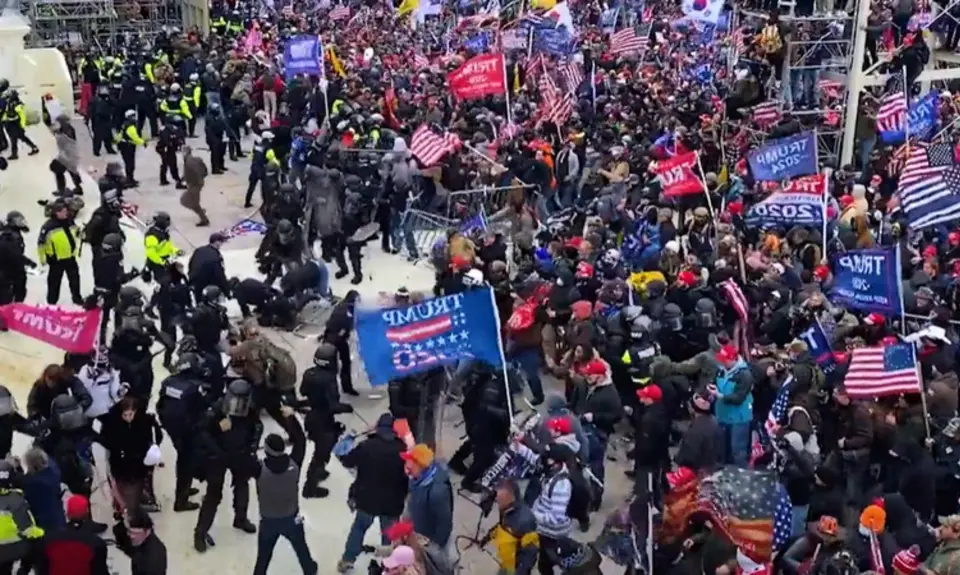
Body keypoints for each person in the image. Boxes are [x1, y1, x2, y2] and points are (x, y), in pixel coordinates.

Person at [193, 379, 261, 552]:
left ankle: (241, 518)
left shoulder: (251, 410)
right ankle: (200, 533)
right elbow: (202, 432)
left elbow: (257, 427)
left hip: (241, 453)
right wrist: (216, 448)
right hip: (219, 456)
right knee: (213, 495)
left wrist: (252, 447)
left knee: (242, 486)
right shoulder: (217, 409)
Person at [337, 413, 409, 573]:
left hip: (366, 498)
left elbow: (344, 457)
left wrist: (355, 435)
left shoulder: (366, 446)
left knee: (359, 528)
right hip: (393, 502)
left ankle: (347, 560)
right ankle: (389, 566)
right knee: (390, 536)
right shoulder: (402, 449)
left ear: (377, 427)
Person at [252, 434, 317, 575]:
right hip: (292, 517)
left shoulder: (258, 468)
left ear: (267, 450)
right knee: (301, 549)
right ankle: (310, 570)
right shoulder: (294, 462)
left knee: (263, 557)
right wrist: (291, 417)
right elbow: (300, 440)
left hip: (268, 521)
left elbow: (239, 457)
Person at [298, 343, 354, 498]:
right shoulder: (329, 379)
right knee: (320, 454)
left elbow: (303, 391)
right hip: (323, 420)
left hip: (312, 418)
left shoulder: (309, 373)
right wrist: (347, 408)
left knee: (320, 449)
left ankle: (319, 472)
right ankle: (309, 488)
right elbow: (332, 405)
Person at [99, 397, 163, 512]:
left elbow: (156, 434)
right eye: (125, 415)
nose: (128, 418)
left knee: (141, 481)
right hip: (121, 459)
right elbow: (106, 440)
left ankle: (141, 501)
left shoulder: (145, 420)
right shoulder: (112, 423)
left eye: (130, 414)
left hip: (139, 458)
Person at [37, 495, 109, 575]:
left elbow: (42, 570)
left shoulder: (48, 540)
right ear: (87, 514)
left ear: (67, 514)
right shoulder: (97, 543)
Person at [401, 444, 453, 549]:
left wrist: (434, 547)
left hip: (429, 541)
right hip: (418, 531)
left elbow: (444, 524)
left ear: (420, 466)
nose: (407, 466)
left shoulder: (437, 492)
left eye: (410, 462)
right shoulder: (415, 479)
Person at [486, 479, 539, 575]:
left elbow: (530, 552)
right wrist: (487, 537)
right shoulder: (506, 509)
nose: (496, 500)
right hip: (507, 558)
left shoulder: (526, 521)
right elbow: (502, 526)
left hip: (516, 565)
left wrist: (520, 572)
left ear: (510, 496)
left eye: (499, 497)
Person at [36, 201, 83, 306]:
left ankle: (77, 298)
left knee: (75, 280)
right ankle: (51, 302)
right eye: (62, 211)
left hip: (70, 257)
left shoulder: (70, 222)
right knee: (54, 283)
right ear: (56, 213)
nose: (65, 213)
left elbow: (75, 232)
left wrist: (81, 233)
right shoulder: (48, 227)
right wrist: (43, 259)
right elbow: (41, 244)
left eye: (66, 211)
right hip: (56, 260)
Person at [320, 290, 360, 396]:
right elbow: (346, 325)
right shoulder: (347, 310)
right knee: (340, 364)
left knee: (334, 364)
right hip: (337, 339)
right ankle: (342, 387)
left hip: (331, 337)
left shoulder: (340, 306)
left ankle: (335, 388)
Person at [112, 506, 167, 575]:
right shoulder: (140, 539)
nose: (131, 536)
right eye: (129, 531)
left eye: (135, 533)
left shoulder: (153, 559)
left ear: (147, 531)